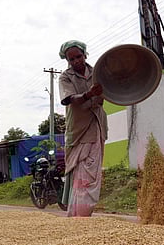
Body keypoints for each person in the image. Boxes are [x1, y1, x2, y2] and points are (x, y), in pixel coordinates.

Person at [58, 40, 108, 217]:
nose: (76, 61)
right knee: (81, 172)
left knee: (93, 172)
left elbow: (112, 89)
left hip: (97, 125)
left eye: (78, 56)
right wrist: (89, 94)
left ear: (85, 55)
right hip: (78, 131)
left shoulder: (98, 72)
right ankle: (78, 215)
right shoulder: (65, 77)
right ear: (67, 61)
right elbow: (69, 99)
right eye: (71, 59)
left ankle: (85, 214)